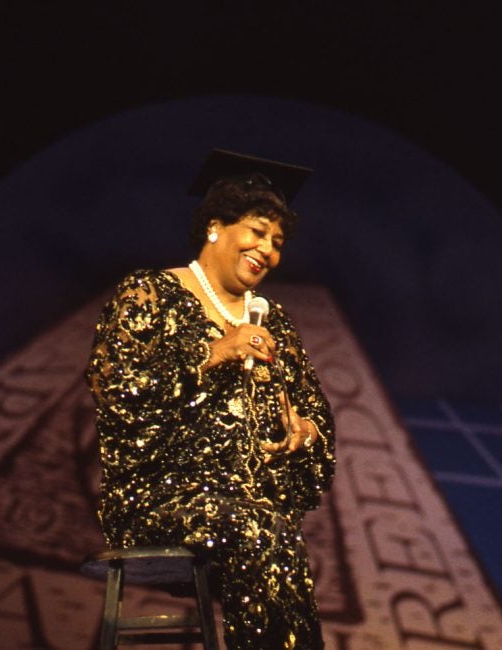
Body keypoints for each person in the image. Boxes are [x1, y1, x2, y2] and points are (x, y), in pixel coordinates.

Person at [86, 150, 336, 649]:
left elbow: (316, 412)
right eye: (259, 232)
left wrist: (303, 429)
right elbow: (118, 391)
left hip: (252, 505)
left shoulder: (274, 322)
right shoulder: (150, 294)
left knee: (274, 533)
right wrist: (217, 350)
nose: (268, 249)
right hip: (161, 499)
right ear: (216, 227)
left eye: (278, 242)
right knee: (259, 530)